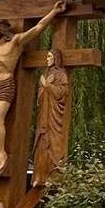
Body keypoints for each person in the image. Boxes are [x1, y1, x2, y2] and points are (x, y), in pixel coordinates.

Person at [0, 0, 67, 175]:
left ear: (2, 29)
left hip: (6, 83)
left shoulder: (15, 41)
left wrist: (53, 12)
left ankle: (1, 152)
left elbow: (37, 28)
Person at [31, 49, 71, 187]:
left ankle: (52, 175)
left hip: (54, 114)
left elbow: (63, 92)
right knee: (41, 142)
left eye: (49, 56)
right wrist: (43, 88)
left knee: (52, 142)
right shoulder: (45, 73)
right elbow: (40, 94)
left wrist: (48, 86)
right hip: (44, 113)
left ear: (56, 58)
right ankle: (39, 175)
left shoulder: (60, 74)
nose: (47, 59)